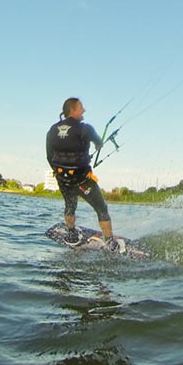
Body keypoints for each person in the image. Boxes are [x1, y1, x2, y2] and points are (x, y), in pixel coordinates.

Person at [45, 97, 120, 252]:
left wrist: (62, 172)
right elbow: (99, 143)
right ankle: (110, 243)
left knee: (70, 205)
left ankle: (71, 234)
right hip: (82, 180)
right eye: (81, 108)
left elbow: (49, 156)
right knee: (102, 209)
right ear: (72, 110)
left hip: (63, 179)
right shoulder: (85, 128)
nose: (84, 110)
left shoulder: (52, 130)